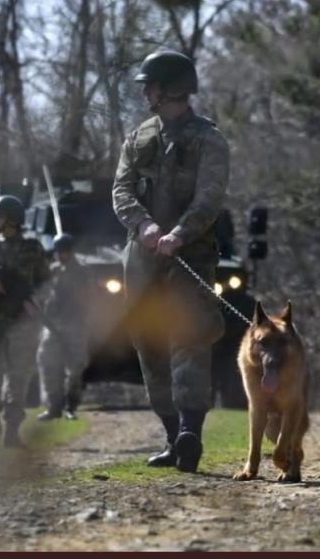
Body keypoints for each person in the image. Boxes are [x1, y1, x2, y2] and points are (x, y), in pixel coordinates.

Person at [112, 49, 230, 473]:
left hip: (191, 255)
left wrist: (179, 234)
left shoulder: (210, 139)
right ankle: (170, 435)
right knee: (149, 343)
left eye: (150, 85)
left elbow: (210, 198)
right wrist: (143, 226)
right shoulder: (138, 137)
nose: (145, 92)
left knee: (189, 339)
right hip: (142, 258)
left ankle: (190, 434)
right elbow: (121, 190)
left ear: (167, 88)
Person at [0, 195, 50, 449]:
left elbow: (45, 282)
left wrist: (34, 302)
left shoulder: (33, 248)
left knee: (19, 377)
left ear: (11, 219)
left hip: (22, 323)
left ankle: (12, 431)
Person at [36, 233, 92, 421]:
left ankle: (71, 406)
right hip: (52, 324)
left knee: (75, 368)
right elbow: (43, 293)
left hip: (75, 324)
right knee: (48, 364)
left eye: (65, 252)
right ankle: (53, 407)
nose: (61, 255)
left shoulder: (81, 272)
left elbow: (87, 297)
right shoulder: (52, 270)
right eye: (59, 252)